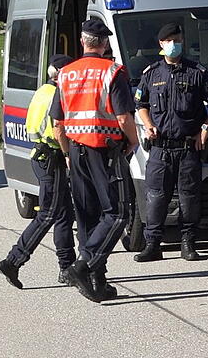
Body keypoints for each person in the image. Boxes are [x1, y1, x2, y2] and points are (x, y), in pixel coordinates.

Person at [51, 19, 140, 303]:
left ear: (82, 41)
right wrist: (134, 141)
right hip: (105, 150)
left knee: (87, 216)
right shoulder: (112, 72)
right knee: (116, 214)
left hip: (76, 150)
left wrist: (66, 153)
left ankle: (96, 282)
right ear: (104, 44)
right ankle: (83, 267)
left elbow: (57, 122)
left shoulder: (65, 74)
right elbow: (124, 117)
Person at [133, 22, 208, 263]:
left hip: (188, 148)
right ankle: (152, 244)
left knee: (189, 197)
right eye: (170, 40)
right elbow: (140, 104)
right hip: (160, 149)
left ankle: (189, 243)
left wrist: (206, 127)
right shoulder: (151, 73)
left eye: (178, 39)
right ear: (161, 44)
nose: (174, 44)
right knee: (156, 197)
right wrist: (147, 123)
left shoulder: (197, 72)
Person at [0, 55, 77, 289]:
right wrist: (69, 154)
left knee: (63, 214)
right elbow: (58, 130)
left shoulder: (42, 91)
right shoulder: (56, 95)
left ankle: (66, 267)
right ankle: (13, 260)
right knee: (49, 214)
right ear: (61, 73)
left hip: (42, 157)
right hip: (53, 157)